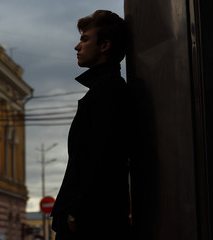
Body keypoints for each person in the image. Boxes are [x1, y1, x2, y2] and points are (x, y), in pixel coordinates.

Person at [51, 10, 131, 240]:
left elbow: (99, 159)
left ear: (104, 45)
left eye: (85, 39)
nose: (77, 46)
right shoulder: (104, 90)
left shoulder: (108, 92)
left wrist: (76, 214)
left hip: (92, 222)